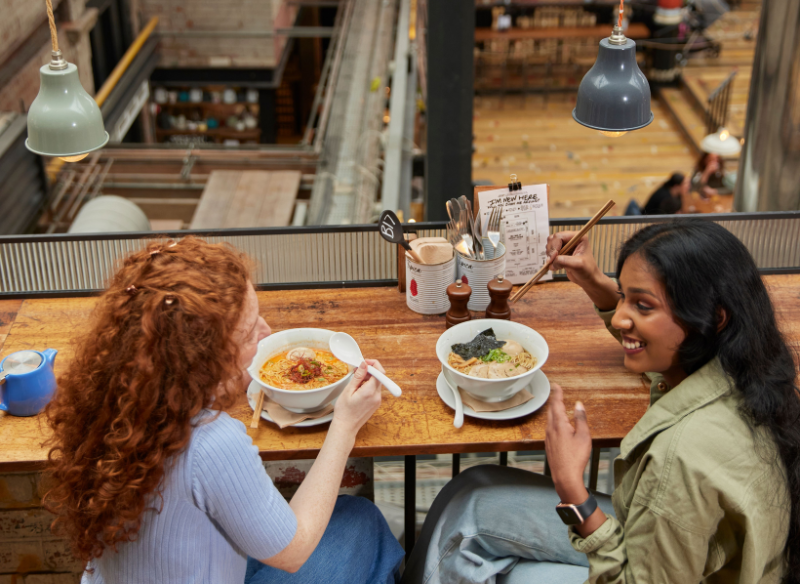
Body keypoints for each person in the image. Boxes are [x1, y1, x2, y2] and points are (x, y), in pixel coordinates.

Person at [403, 220, 800, 583]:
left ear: (714, 318)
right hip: (673, 552)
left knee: (484, 545)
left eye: (642, 305)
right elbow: (652, 337)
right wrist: (595, 281)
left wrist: (573, 488)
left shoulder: (682, 459)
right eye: (624, 296)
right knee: (474, 486)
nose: (621, 318)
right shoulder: (742, 366)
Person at [44, 237, 404, 584]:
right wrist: (345, 425)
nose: (266, 334)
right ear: (202, 362)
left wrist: (227, 379)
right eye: (248, 335)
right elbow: (293, 553)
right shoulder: (211, 443)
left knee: (353, 520)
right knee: (364, 523)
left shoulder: (117, 400)